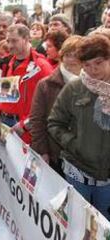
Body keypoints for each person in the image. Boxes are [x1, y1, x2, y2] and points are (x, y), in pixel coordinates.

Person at [48, 35, 110, 220]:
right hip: (77, 169)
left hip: (107, 176)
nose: (93, 70)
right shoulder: (74, 88)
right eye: (87, 65)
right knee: (77, 221)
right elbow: (54, 122)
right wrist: (75, 144)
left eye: (98, 63)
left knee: (104, 223)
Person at [0, 24, 53, 144]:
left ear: (26, 39)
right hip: (4, 123)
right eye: (8, 41)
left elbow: (49, 105)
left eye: (14, 41)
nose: (10, 45)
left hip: (26, 130)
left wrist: (25, 125)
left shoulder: (42, 67)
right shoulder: (5, 63)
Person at [30, 36, 81, 175]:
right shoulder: (45, 85)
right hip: (55, 154)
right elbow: (37, 120)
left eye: (76, 54)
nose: (71, 59)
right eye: (68, 54)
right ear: (61, 56)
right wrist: (42, 151)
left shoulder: (93, 83)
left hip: (83, 157)